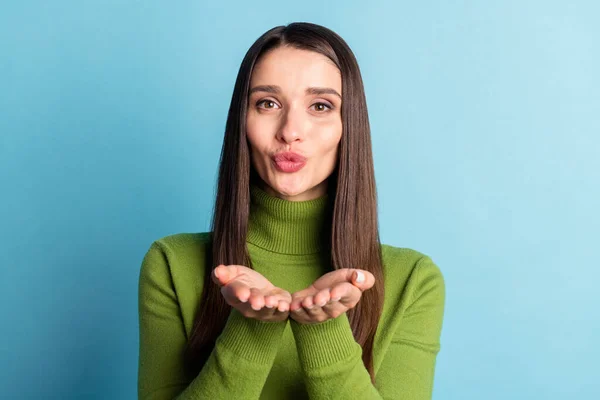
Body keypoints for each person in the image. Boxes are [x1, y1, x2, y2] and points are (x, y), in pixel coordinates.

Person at [137, 22, 445, 400]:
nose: (290, 130)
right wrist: (251, 327)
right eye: (268, 103)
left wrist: (323, 327)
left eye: (320, 106)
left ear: (348, 127)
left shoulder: (412, 280)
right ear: (242, 122)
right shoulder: (172, 264)